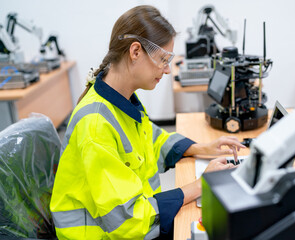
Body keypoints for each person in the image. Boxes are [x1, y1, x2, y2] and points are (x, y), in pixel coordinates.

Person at [50, 5, 244, 240]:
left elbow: (150, 139)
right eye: (163, 59)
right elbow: (128, 220)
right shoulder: (96, 125)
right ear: (135, 52)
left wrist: (203, 149)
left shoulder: (120, 97)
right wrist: (198, 185)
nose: (168, 70)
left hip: (131, 222)